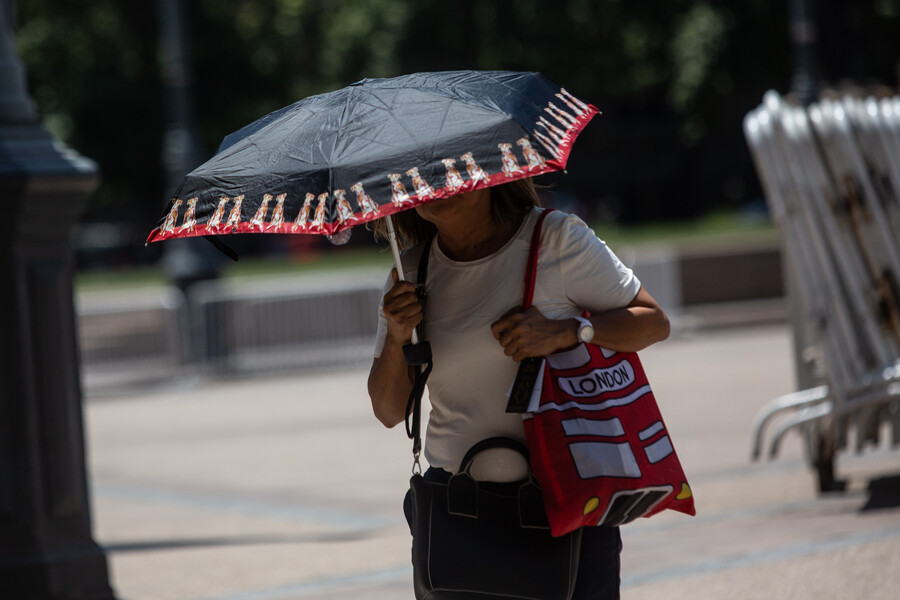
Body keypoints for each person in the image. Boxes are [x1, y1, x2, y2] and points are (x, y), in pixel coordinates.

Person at [367, 178, 670, 599]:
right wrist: (399, 336)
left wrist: (569, 331)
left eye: (448, 168)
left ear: (490, 169)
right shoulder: (410, 274)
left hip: (565, 508)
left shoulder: (555, 239)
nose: (434, 184)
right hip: (459, 518)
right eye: (420, 174)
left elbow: (652, 321)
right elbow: (388, 410)